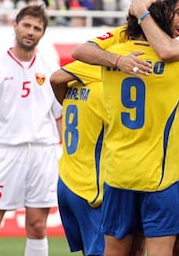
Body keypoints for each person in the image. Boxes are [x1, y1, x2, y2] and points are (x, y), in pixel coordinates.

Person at [72, 0, 179, 256]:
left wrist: (140, 17)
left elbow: (167, 50)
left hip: (174, 153)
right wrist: (117, 60)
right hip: (156, 165)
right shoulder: (139, 47)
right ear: (166, 9)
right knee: (145, 244)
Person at [0, 5, 62, 256]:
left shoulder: (50, 68)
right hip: (5, 153)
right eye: (27, 25)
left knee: (37, 226)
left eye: (37, 28)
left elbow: (59, 116)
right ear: (15, 25)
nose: (31, 31)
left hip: (42, 154)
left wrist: (68, 155)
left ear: (42, 34)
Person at [50, 60, 106, 256]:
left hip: (67, 180)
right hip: (92, 187)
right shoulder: (106, 87)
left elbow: (55, 79)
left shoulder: (73, 83)